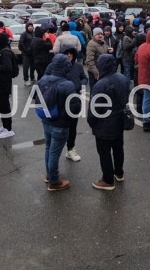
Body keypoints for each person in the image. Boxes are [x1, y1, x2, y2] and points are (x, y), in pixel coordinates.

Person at [38, 54, 80, 191]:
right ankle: (54, 182)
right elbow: (74, 107)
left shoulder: (43, 79)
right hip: (60, 124)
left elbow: (34, 96)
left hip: (46, 120)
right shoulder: (67, 84)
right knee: (55, 152)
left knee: (48, 148)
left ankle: (49, 175)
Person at [87, 54, 129, 190]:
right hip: (119, 121)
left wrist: (91, 122)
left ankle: (107, 180)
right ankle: (119, 172)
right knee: (118, 148)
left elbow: (94, 108)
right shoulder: (123, 78)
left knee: (104, 152)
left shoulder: (100, 85)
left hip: (104, 124)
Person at [62, 47, 87, 162]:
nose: (69, 55)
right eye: (66, 53)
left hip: (75, 100)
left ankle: (70, 149)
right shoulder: (58, 66)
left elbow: (84, 78)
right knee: (61, 127)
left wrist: (80, 84)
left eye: (71, 53)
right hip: (61, 101)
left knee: (72, 126)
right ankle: (56, 153)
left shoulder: (78, 66)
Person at [0, 32, 16, 139]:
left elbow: (7, 68)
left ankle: (8, 128)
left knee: (4, 106)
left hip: (4, 84)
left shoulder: (5, 52)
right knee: (0, 105)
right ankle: (4, 125)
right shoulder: (0, 51)